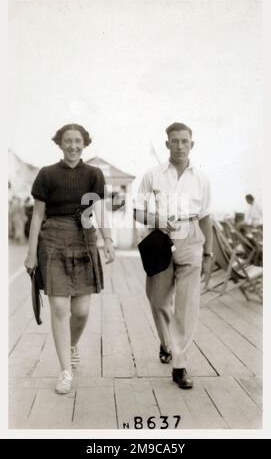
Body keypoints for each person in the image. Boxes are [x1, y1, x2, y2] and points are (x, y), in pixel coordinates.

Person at [24, 123, 115, 394]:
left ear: (84, 143)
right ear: (59, 143)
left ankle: (71, 344)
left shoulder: (94, 174)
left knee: (81, 311)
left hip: (85, 241)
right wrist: (31, 253)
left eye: (77, 140)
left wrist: (107, 240)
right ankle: (65, 370)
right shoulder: (47, 174)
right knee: (60, 309)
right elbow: (38, 216)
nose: (72, 145)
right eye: (67, 141)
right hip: (52, 241)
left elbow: (99, 209)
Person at [134, 122, 213, 389]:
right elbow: (137, 212)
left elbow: (206, 217)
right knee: (158, 300)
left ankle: (180, 364)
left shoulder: (202, 178)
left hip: (191, 238)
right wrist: (156, 219)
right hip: (161, 240)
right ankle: (167, 342)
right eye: (175, 141)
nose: (180, 145)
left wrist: (209, 251)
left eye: (185, 141)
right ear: (166, 144)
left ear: (193, 144)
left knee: (187, 305)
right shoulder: (152, 175)